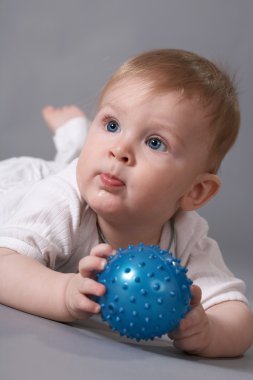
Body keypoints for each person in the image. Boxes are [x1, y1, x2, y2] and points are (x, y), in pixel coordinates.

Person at [0, 49, 252, 358]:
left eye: (155, 142)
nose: (120, 149)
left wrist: (209, 331)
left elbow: (237, 317)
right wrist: (63, 292)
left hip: (96, 175)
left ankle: (79, 138)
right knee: (70, 164)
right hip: (15, 188)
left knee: (96, 163)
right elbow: (4, 263)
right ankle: (75, 136)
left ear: (195, 192)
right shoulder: (61, 199)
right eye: (111, 125)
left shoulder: (187, 236)